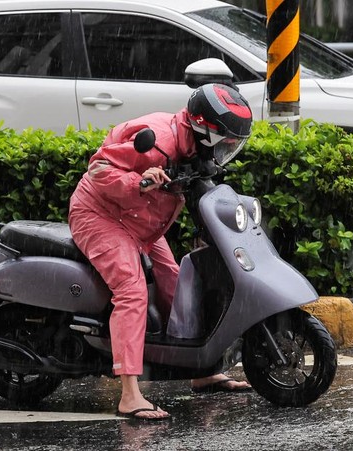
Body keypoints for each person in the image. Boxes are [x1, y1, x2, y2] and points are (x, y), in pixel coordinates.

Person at [68, 83, 254, 421]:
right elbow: (98, 169)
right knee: (132, 290)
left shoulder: (194, 148)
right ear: (206, 131)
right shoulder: (159, 140)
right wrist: (138, 182)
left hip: (140, 222)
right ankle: (129, 393)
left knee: (178, 282)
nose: (228, 150)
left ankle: (202, 369)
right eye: (226, 142)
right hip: (100, 215)